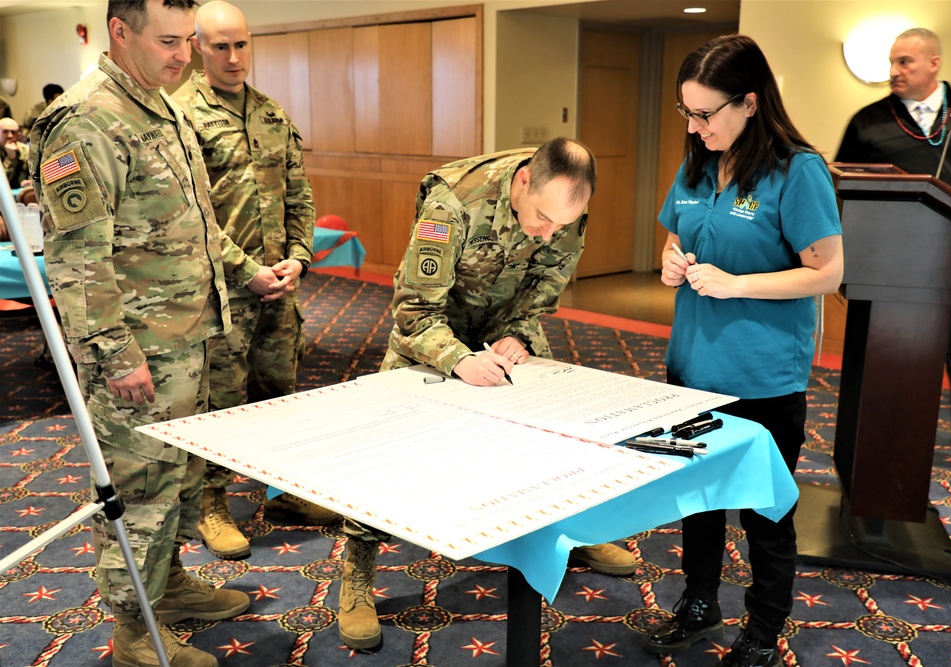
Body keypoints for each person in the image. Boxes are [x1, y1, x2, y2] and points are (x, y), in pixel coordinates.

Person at [28, 1, 284, 665]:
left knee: (178, 481)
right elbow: (79, 264)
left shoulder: (157, 102)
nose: (184, 55)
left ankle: (165, 589)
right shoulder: (85, 121)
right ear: (120, 32)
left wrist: (247, 273)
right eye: (168, 41)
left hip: (189, 338)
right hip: (140, 351)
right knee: (139, 490)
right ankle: (134, 629)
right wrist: (117, 358)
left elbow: (192, 223)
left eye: (186, 41)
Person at [353, 137, 635, 649]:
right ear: (524, 180)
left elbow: (545, 286)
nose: (549, 231)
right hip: (434, 329)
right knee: (386, 445)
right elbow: (415, 310)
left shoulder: (565, 204)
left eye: (560, 225)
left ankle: (569, 535)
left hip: (500, 330)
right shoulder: (454, 202)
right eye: (541, 219)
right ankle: (357, 571)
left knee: (550, 431)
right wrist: (459, 358)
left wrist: (520, 333)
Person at [644, 35, 843, 666]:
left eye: (706, 113)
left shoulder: (798, 170)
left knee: (764, 510)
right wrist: (673, 265)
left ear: (750, 103)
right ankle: (699, 604)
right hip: (692, 365)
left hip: (762, 374)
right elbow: (673, 241)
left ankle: (762, 630)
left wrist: (737, 286)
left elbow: (826, 272)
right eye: (687, 112)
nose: (695, 126)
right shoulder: (698, 161)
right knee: (697, 502)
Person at [173, 0, 332, 562]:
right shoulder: (180, 116)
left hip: (279, 289)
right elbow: (191, 215)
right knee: (219, 402)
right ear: (196, 47)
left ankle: (282, 491)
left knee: (279, 394)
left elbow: (300, 194)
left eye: (241, 44)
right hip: (219, 293)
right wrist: (247, 269)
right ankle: (210, 503)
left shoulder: (269, 112)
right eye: (220, 46)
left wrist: (298, 257)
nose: (234, 57)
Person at [836, 27, 951, 475]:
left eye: (904, 61)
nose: (894, 71)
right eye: (891, 62)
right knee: (886, 352)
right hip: (884, 264)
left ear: (934, 63)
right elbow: (841, 188)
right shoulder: (868, 120)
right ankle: (875, 438)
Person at [1, 117, 31, 188]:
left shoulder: (26, 151)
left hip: (20, 193)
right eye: (5, 131)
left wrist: (30, 182)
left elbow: (34, 174)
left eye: (13, 132)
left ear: (18, 134)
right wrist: (10, 159)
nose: (10, 136)